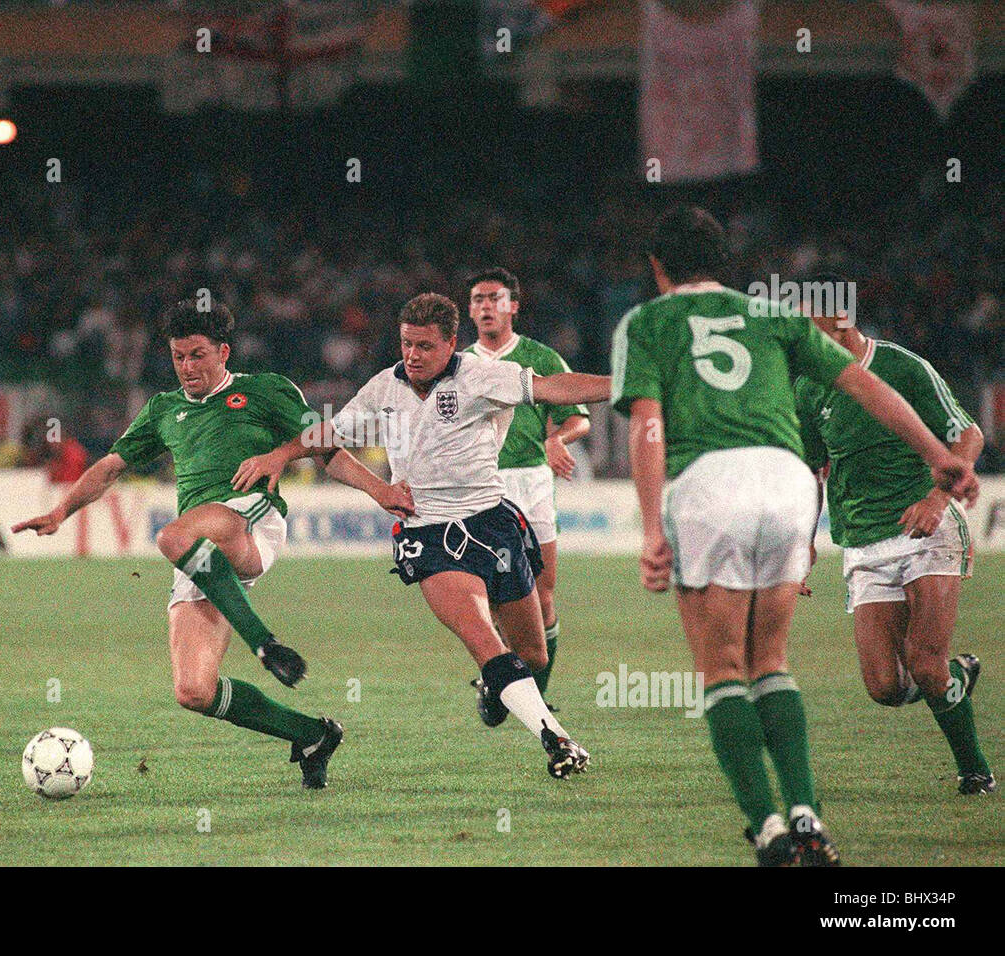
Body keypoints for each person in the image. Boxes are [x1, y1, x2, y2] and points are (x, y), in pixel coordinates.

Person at [612, 206, 979, 865]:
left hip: (710, 482)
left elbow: (646, 425)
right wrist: (940, 454)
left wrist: (648, 529)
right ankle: (809, 818)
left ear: (658, 269)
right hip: (786, 483)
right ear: (721, 261)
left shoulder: (648, 321)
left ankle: (769, 828)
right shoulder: (774, 315)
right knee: (772, 661)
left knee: (724, 668)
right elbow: (864, 386)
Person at [13, 300, 414, 789]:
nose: (187, 367)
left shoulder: (264, 390)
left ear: (223, 352)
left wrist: (382, 490)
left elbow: (326, 448)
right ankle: (310, 733)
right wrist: (61, 511)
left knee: (172, 533)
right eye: (179, 356)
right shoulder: (164, 409)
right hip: (200, 551)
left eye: (198, 355)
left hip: (249, 522)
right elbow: (111, 466)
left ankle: (263, 643)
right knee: (194, 691)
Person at [233, 293, 610, 779]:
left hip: (492, 525)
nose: (412, 355)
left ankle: (496, 688)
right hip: (428, 535)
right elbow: (330, 434)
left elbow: (555, 387)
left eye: (425, 347)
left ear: (452, 344)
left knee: (533, 654)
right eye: (406, 344)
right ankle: (556, 739)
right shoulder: (383, 388)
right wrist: (282, 456)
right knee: (483, 640)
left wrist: (626, 385)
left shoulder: (480, 376)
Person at [796, 275, 993, 795]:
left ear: (839, 323)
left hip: (926, 530)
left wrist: (937, 499)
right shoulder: (809, 387)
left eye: (805, 324)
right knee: (885, 687)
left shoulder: (902, 367)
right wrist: (802, 545)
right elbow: (812, 470)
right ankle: (955, 678)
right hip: (862, 540)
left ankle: (975, 770)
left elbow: (967, 432)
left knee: (924, 663)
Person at [463, 267, 590, 706]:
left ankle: (537, 694)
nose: (485, 307)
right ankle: (501, 686)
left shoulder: (541, 357)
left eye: (494, 299)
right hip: (481, 485)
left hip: (532, 480)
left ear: (513, 306)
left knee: (543, 590)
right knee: (497, 599)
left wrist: (557, 438)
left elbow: (578, 417)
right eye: (477, 299)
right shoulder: (460, 364)